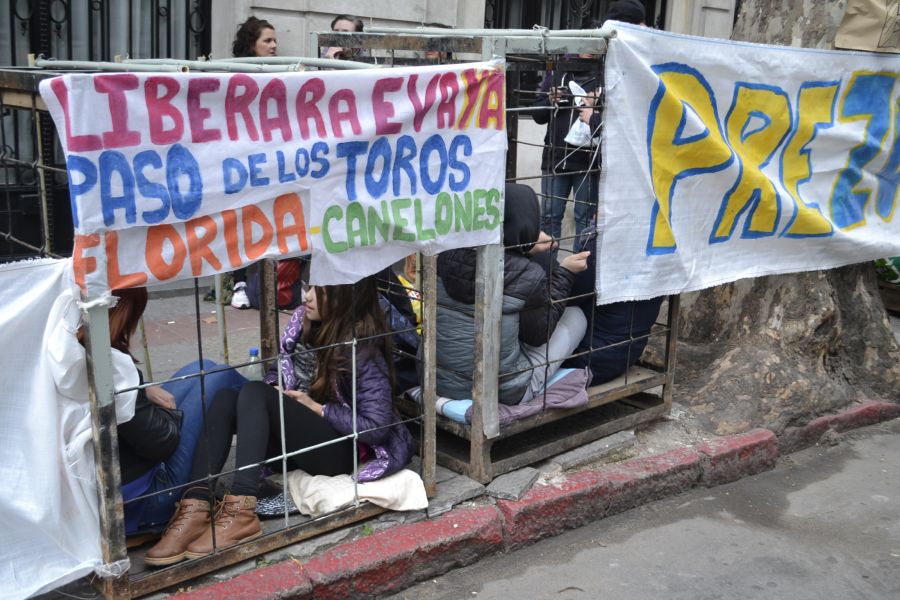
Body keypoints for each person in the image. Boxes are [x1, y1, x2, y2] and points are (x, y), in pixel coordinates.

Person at [144, 277, 416, 566]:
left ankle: (241, 510)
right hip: (305, 439)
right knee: (227, 398)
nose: (307, 296)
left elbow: (377, 427)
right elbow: (279, 371)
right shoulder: (302, 324)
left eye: (319, 292)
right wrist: (277, 389)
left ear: (343, 300)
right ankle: (196, 505)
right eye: (308, 287)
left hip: (342, 450)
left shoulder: (361, 347)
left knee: (255, 393)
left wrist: (317, 408)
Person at [75, 288, 246, 535]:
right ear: (119, 314)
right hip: (144, 501)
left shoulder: (73, 347)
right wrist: (151, 401)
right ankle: (274, 420)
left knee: (203, 367)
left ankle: (267, 411)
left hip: (128, 475)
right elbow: (162, 441)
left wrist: (143, 389)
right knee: (219, 378)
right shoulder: (107, 370)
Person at [434, 183, 590, 406]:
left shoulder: (445, 255)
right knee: (575, 316)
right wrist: (565, 273)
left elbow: (497, 264)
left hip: (439, 380)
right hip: (502, 391)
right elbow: (538, 336)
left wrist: (525, 248)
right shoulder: (529, 274)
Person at [229, 16, 278, 308]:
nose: (273, 46)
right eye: (267, 41)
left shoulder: (280, 71)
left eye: (275, 41)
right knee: (240, 218)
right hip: (241, 158)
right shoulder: (234, 74)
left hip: (268, 157)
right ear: (252, 45)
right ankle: (239, 282)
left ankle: (269, 280)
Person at [531, 55, 602, 249]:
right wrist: (549, 99)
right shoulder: (557, 73)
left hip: (588, 163)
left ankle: (578, 275)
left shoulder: (605, 73)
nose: (587, 51)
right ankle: (548, 271)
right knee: (549, 216)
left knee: (585, 219)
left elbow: (619, 118)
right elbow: (537, 115)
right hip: (555, 158)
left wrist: (598, 106)